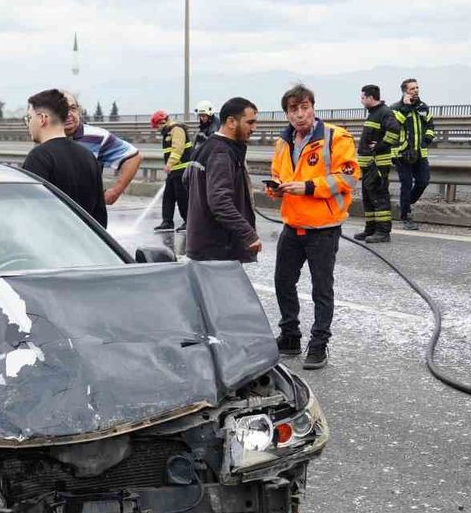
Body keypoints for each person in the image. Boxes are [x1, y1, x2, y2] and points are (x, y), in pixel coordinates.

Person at [267, 84, 359, 370]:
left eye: (304, 107)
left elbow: (348, 177)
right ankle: (290, 336)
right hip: (292, 225)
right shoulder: (283, 142)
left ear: (313, 108)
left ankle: (319, 343)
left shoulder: (336, 137)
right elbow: (277, 174)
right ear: (287, 114)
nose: (300, 114)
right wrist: (275, 189)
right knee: (283, 282)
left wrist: (308, 187)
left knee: (321, 288)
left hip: (323, 227)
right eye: (293, 109)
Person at [185, 97, 262, 262]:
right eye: (250, 122)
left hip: (204, 247)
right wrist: (248, 234)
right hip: (218, 250)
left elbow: (186, 180)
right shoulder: (222, 153)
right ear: (231, 122)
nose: (254, 128)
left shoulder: (206, 146)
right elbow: (220, 201)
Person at [21, 88, 107, 226]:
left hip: (53, 237)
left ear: (42, 119)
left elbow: (31, 212)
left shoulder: (39, 157)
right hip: (85, 238)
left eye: (29, 118)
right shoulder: (88, 156)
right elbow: (100, 217)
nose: (28, 124)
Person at [62, 91, 143, 205]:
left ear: (79, 111)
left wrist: (114, 193)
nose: (68, 114)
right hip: (52, 209)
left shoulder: (96, 136)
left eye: (73, 108)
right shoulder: (43, 137)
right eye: (62, 109)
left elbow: (134, 157)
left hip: (86, 210)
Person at [353, 84, 401, 243]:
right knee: (368, 198)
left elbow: (394, 131)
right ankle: (370, 229)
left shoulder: (384, 112)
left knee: (379, 198)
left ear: (370, 97)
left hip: (377, 165)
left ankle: (383, 232)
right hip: (368, 166)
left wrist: (380, 146)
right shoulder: (374, 113)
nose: (361, 100)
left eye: (362, 97)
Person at [391, 79, 435, 230]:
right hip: (402, 154)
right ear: (405, 91)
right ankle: (406, 216)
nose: (416, 90)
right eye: (412, 89)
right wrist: (406, 108)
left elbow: (430, 125)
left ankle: (405, 204)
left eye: (417, 87)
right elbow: (394, 126)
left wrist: (427, 139)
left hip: (420, 153)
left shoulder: (423, 107)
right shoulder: (396, 108)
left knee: (423, 181)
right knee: (407, 184)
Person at [152, 110, 193, 233]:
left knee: (182, 197)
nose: (158, 129)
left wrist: (169, 164)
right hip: (174, 171)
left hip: (182, 170)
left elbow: (178, 149)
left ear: (162, 122)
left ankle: (189, 222)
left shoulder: (177, 129)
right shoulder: (168, 132)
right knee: (168, 197)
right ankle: (167, 222)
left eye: (157, 126)